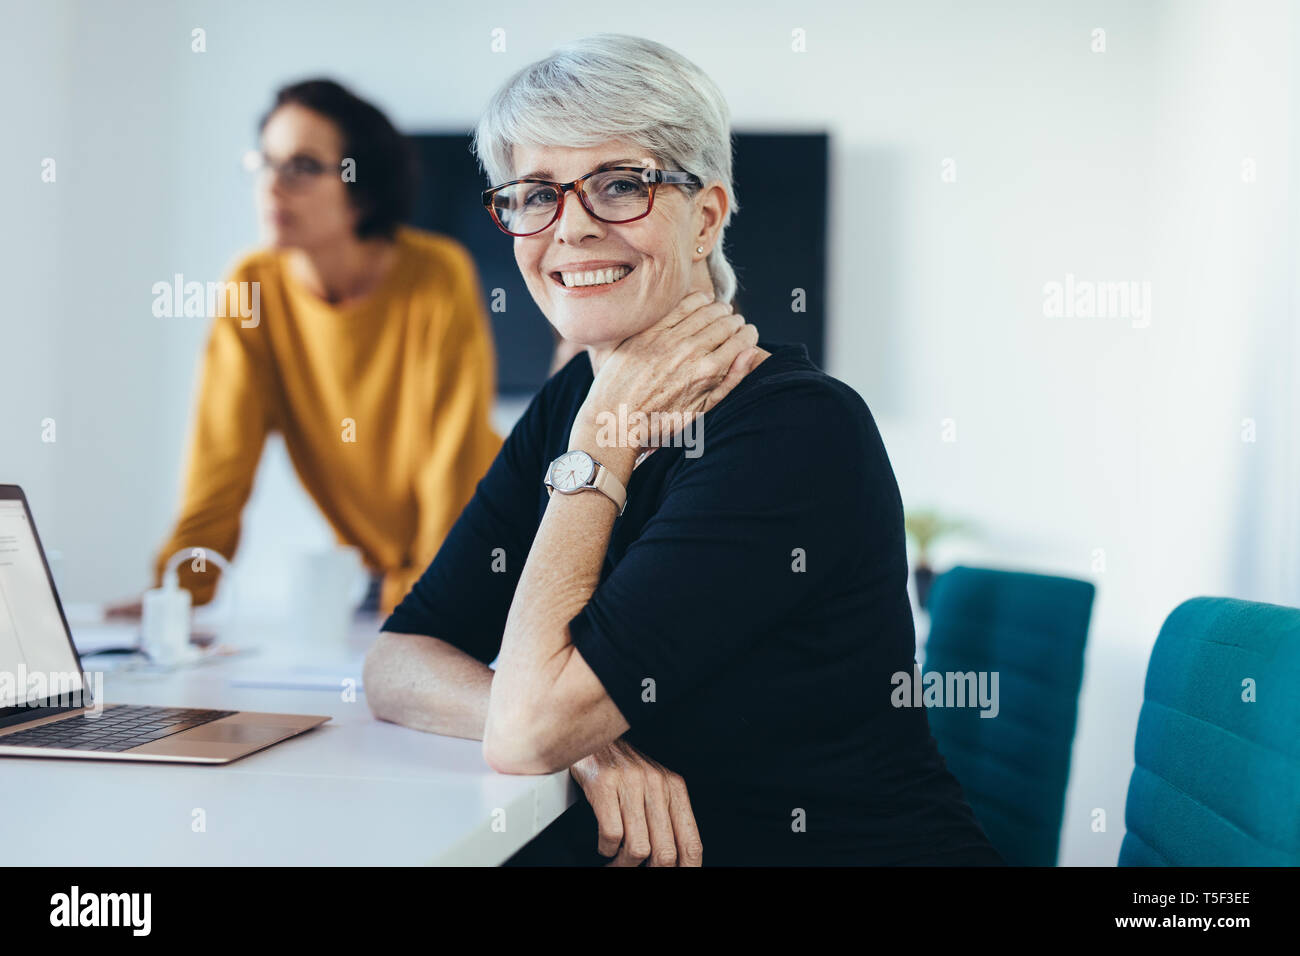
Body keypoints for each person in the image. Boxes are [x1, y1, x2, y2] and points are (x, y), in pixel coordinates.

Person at [364, 35, 1004, 866]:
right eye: (533, 196)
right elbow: (396, 663)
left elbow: (525, 733)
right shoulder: (576, 397)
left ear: (705, 216)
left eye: (620, 186)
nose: (573, 230)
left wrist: (599, 449)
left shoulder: (795, 431)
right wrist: (591, 745)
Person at [109, 79, 501, 618]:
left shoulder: (437, 275)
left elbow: (451, 459)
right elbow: (219, 459)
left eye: (302, 167)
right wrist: (175, 598)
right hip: (387, 580)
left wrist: (430, 597)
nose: (273, 187)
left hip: (481, 555)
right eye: (266, 164)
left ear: (362, 185)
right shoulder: (253, 286)